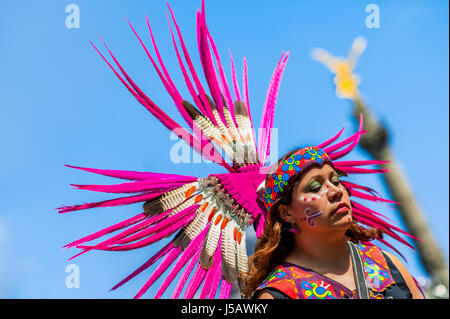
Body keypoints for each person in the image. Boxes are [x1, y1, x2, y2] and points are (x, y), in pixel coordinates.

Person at [245, 147, 423, 299]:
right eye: (315, 187)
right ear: (286, 213)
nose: (336, 191)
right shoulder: (279, 293)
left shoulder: (386, 263)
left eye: (336, 180)